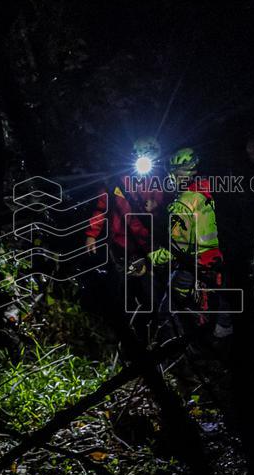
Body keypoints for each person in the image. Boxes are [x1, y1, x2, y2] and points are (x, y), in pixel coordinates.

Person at [147, 147, 234, 340]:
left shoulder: (184, 203)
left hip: (195, 265)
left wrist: (148, 260)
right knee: (215, 312)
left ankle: (181, 352)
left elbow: (177, 249)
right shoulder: (208, 190)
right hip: (217, 260)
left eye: (172, 173)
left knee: (167, 310)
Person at [84, 136, 165, 316]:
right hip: (119, 244)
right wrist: (91, 234)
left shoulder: (156, 180)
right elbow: (101, 207)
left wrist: (155, 205)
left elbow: (162, 202)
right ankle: (122, 318)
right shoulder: (116, 181)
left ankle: (155, 320)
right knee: (120, 286)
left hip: (145, 245)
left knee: (149, 287)